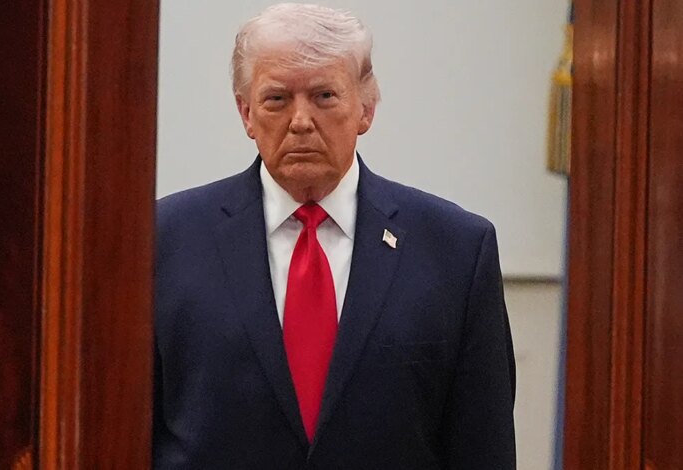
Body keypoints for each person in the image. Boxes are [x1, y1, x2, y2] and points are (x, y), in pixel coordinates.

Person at [153, 3, 516, 468]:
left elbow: (483, 446)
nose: (301, 120)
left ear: (366, 109)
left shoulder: (457, 251)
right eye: (277, 99)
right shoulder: (168, 241)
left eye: (324, 96)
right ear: (246, 113)